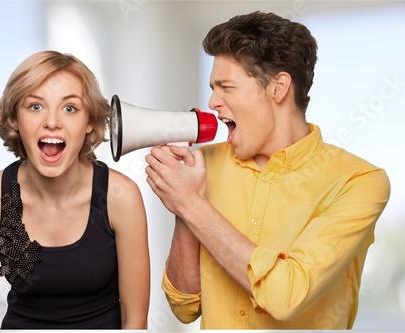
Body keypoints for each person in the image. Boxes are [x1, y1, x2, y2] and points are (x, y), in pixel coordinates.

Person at [145, 11, 390, 329]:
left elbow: (286, 296)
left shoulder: (359, 182)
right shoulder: (201, 166)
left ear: (278, 87)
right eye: (212, 87)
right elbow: (184, 306)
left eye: (226, 87)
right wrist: (184, 205)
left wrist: (192, 204)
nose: (212, 102)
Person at [0, 50, 150, 329]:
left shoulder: (121, 197)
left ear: (90, 123)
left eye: (70, 108)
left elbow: (135, 323)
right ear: (15, 118)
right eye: (35, 106)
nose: (52, 122)